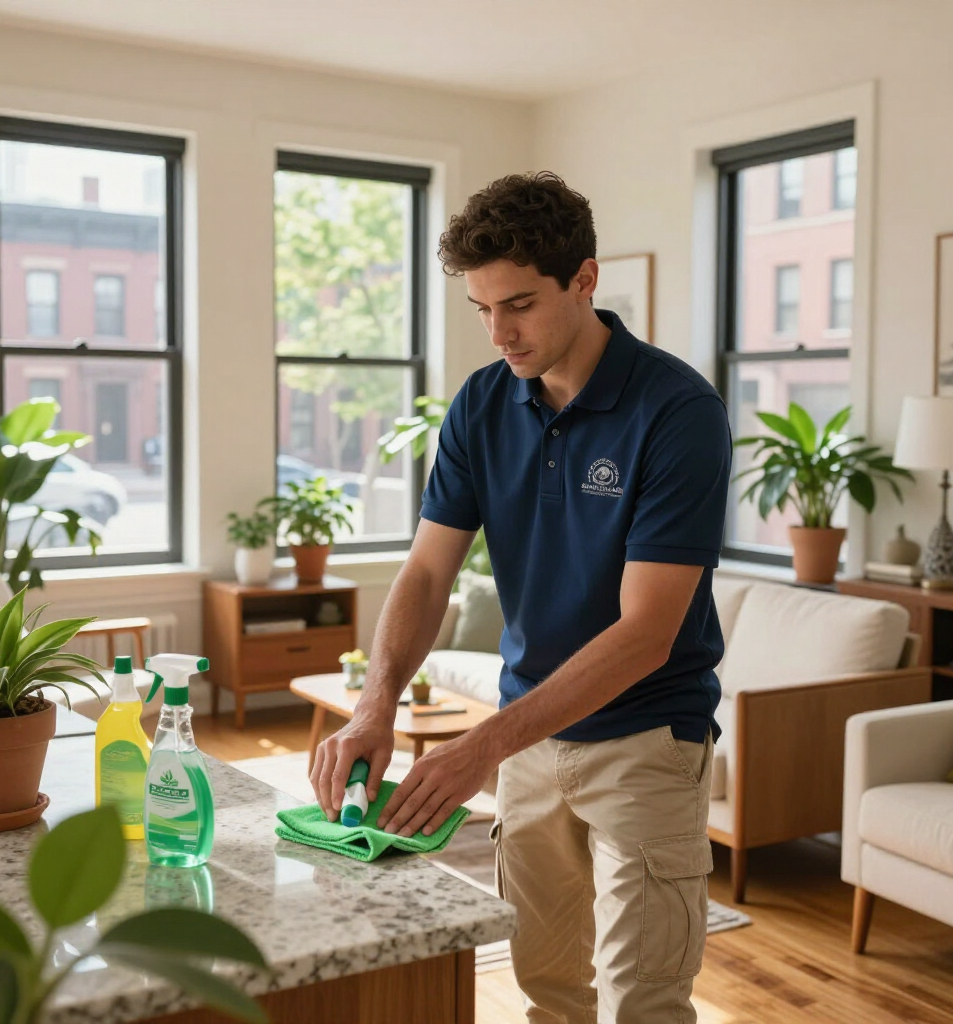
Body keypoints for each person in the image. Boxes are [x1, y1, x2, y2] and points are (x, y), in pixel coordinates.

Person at [311, 171, 732, 1024]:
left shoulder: (676, 411)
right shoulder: (480, 404)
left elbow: (648, 632)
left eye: (520, 304)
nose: (500, 331)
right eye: (481, 309)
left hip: (646, 741)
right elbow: (428, 573)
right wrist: (374, 705)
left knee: (644, 1003)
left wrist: (478, 749)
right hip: (532, 745)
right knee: (547, 995)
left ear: (584, 279)